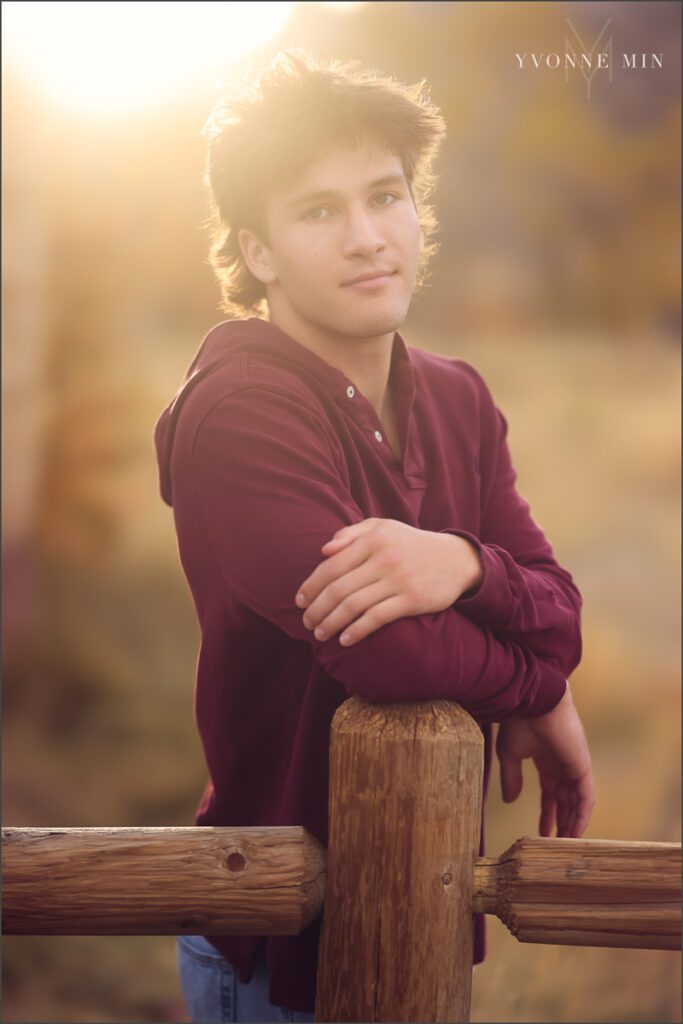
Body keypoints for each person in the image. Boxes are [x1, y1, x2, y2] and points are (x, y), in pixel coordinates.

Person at [154, 49, 595, 1023]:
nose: (366, 238)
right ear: (257, 250)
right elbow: (388, 654)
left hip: (424, 916)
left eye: (384, 196)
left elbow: (557, 608)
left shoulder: (456, 394)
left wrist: (465, 563)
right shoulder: (237, 412)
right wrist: (536, 688)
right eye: (317, 211)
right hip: (276, 936)